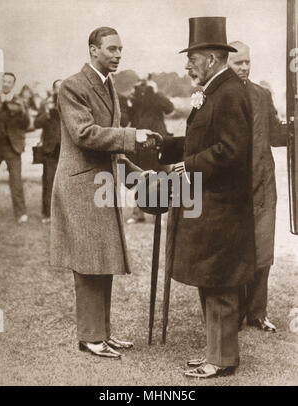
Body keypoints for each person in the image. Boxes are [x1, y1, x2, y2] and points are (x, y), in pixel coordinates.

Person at [50, 26, 158, 359]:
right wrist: (132, 135)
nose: (117, 54)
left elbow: (110, 150)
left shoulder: (108, 86)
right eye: (111, 49)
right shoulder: (72, 86)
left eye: (120, 49)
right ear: (93, 50)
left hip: (100, 187)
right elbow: (85, 134)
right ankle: (90, 337)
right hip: (80, 187)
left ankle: (103, 334)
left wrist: (138, 175)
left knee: (103, 261)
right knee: (88, 264)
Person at [158, 17, 255, 378]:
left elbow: (231, 150)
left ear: (211, 59)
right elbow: (204, 141)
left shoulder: (228, 92)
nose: (187, 66)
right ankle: (216, 353)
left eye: (192, 59)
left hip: (223, 208)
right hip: (213, 206)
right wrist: (166, 145)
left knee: (221, 284)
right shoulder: (216, 90)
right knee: (211, 281)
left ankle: (223, 359)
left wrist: (188, 167)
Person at [228, 41, 287, 333]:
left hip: (263, 185)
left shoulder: (262, 95)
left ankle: (257, 312)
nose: (245, 67)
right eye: (239, 62)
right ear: (227, 63)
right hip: (232, 189)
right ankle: (233, 313)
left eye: (247, 62)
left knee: (263, 251)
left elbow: (277, 135)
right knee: (235, 252)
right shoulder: (218, 96)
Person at [126, 77, 174, 223]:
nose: (143, 84)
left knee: (161, 174)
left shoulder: (156, 94)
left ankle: (157, 213)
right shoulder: (135, 95)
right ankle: (137, 213)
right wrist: (131, 97)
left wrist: (156, 91)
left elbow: (169, 108)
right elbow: (127, 116)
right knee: (139, 174)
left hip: (158, 138)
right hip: (140, 140)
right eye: (141, 80)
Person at [0, 72, 30, 223]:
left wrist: (19, 112)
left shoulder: (19, 101)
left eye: (9, 82)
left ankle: (21, 214)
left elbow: (26, 124)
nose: (5, 84)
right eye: (3, 81)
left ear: (13, 84)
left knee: (16, 181)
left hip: (12, 147)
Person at [34, 80, 62, 223]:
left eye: (62, 87)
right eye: (57, 87)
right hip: (50, 148)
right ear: (53, 90)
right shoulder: (45, 104)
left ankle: (62, 215)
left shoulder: (70, 103)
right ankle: (47, 214)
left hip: (65, 149)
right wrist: (46, 112)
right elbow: (36, 123)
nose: (59, 90)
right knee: (49, 181)